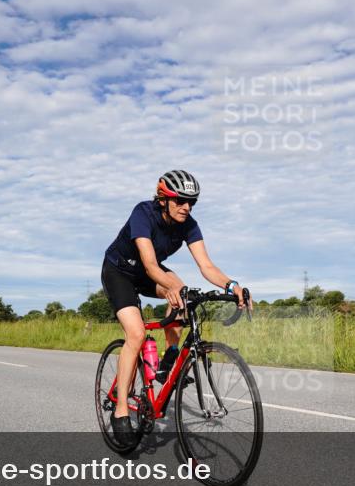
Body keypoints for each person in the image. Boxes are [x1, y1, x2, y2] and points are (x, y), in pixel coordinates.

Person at [101, 170, 249, 446]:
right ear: (163, 199)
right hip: (120, 272)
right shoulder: (143, 213)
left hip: (148, 273)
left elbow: (206, 266)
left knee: (185, 295)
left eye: (191, 202)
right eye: (180, 201)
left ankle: (169, 357)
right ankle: (121, 409)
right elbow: (150, 265)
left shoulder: (189, 225)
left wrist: (232, 286)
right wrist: (171, 288)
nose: (186, 207)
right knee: (136, 334)